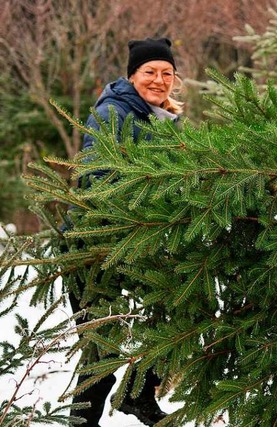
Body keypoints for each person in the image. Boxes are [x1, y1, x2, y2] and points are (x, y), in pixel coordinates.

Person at [68, 37, 183, 426]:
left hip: (141, 239)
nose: (159, 79)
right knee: (100, 344)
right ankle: (82, 421)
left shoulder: (162, 118)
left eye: (167, 73)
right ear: (132, 75)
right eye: (149, 71)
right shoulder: (113, 112)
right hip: (97, 242)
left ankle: (138, 396)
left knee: (170, 311)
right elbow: (96, 176)